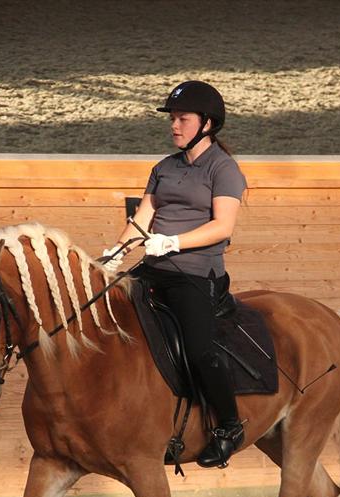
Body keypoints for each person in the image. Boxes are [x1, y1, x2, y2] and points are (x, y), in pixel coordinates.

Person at [105, 80, 248, 469]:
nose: (174, 125)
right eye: (172, 118)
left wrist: (173, 243)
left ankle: (229, 427)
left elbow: (222, 227)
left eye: (182, 118)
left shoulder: (224, 169)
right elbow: (141, 221)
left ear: (206, 123)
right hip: (153, 268)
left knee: (200, 349)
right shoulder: (164, 168)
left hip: (195, 273)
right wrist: (113, 256)